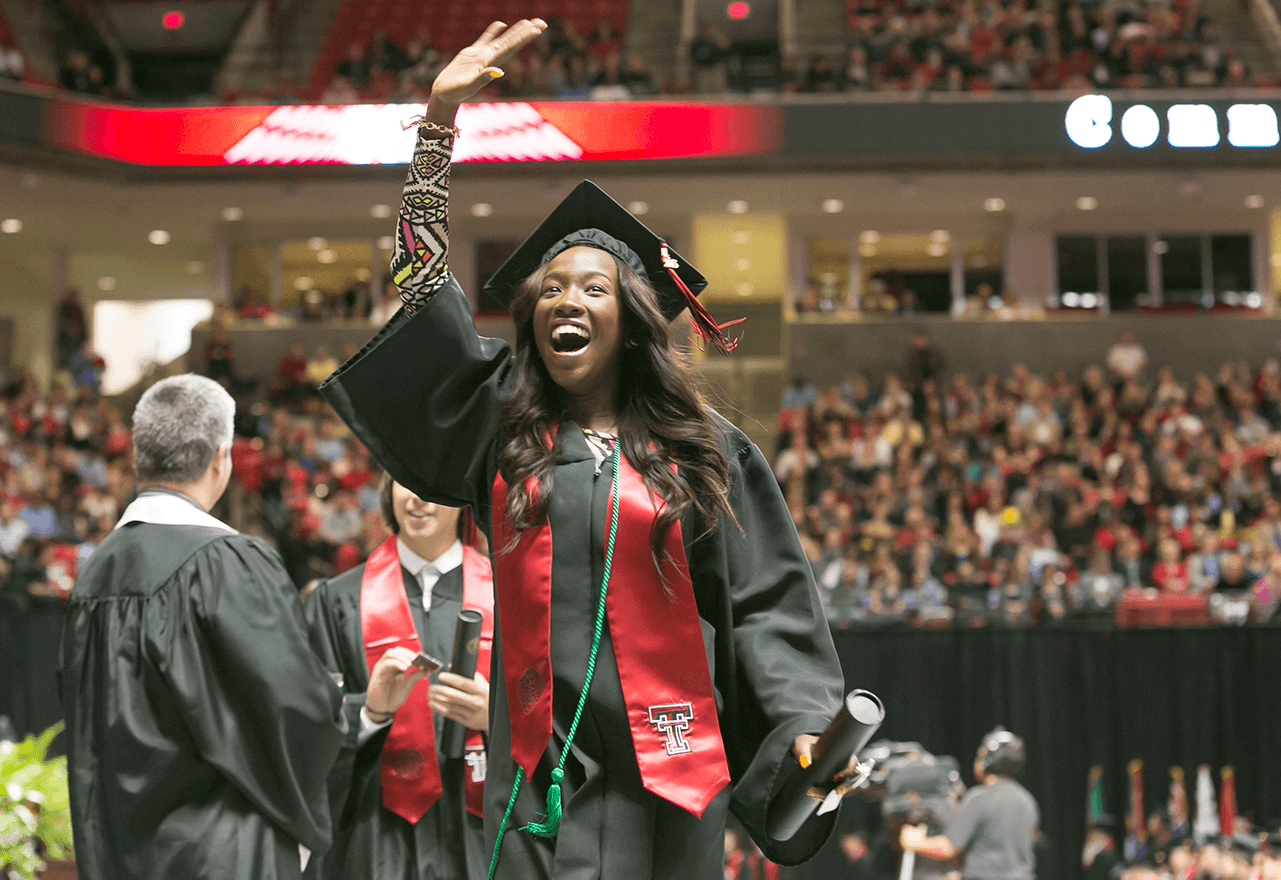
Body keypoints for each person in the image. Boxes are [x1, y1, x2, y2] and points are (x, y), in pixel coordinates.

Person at [320, 20, 846, 880]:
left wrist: (803, 735)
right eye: (549, 288)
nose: (565, 298)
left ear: (631, 323)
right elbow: (421, 291)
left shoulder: (705, 453)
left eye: (592, 287)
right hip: (536, 781)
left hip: (670, 779)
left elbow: (766, 612)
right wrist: (436, 129)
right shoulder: (508, 430)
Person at [58, 374, 346, 879]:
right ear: (222, 457)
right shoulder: (228, 562)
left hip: (119, 855)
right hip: (224, 855)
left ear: (137, 458)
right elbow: (296, 712)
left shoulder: (93, 579)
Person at [304, 479, 494, 879]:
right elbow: (305, 728)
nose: (415, 497)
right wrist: (369, 713)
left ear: (463, 496)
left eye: (429, 481)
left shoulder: (509, 596)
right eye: (401, 482)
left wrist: (498, 720)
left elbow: (557, 718)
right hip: (375, 839)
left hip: (485, 833)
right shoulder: (337, 601)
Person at [899, 728, 1040, 880]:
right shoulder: (1027, 800)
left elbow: (947, 848)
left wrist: (914, 841)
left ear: (987, 760)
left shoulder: (979, 797)